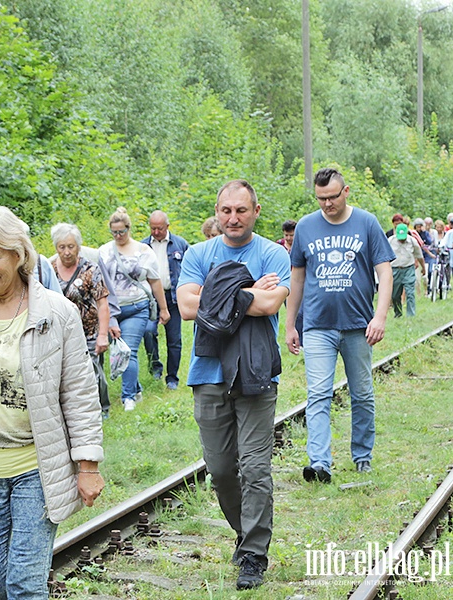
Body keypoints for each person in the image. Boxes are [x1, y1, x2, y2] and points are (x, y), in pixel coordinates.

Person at [0, 206, 104, 600]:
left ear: (18, 254)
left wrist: (88, 465)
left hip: (37, 467)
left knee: (25, 585)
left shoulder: (57, 312)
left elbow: (79, 392)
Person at [177, 180, 289, 591]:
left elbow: (271, 303)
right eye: (226, 210)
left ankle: (254, 555)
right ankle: (244, 533)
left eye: (241, 210)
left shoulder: (273, 252)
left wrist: (219, 294)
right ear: (217, 211)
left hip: (257, 376)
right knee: (222, 470)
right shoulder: (197, 253)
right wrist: (246, 292)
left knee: (256, 468)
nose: (233, 218)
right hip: (208, 374)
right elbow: (188, 307)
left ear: (256, 211)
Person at [286, 168, 394, 481]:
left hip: (358, 325)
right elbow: (298, 277)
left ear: (346, 192)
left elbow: (384, 272)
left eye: (333, 197)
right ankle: (319, 463)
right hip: (318, 325)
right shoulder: (306, 227)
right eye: (321, 199)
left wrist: (380, 315)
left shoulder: (367, 222)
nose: (328, 204)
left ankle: (362, 456)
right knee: (318, 393)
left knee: (361, 393)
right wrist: (291, 324)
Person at [97, 208, 170, 411]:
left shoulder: (144, 251)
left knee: (129, 350)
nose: (118, 236)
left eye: (122, 232)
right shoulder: (104, 251)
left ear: (129, 229)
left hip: (137, 307)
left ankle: (127, 397)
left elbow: (155, 281)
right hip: (111, 310)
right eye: (115, 232)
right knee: (119, 352)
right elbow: (100, 283)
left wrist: (163, 309)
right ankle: (136, 387)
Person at [50, 223, 112, 417]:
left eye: (71, 246)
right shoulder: (49, 270)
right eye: (62, 247)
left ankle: (102, 407)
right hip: (60, 332)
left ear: (78, 246)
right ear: (56, 248)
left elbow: (102, 303)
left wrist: (103, 334)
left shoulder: (90, 269)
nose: (67, 252)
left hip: (89, 330)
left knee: (93, 371)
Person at [140, 211, 188, 389]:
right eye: (153, 228)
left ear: (167, 226)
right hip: (151, 298)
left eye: (159, 228)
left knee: (174, 339)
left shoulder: (180, 244)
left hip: (173, 297)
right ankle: (155, 368)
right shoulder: (143, 246)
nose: (156, 232)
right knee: (149, 332)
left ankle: (172, 378)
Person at [388, 224, 424, 318]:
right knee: (395, 295)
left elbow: (419, 256)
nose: (402, 240)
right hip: (395, 269)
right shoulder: (390, 241)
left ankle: (411, 315)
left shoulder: (412, 241)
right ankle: (398, 313)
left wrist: (423, 268)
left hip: (408, 268)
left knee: (410, 292)